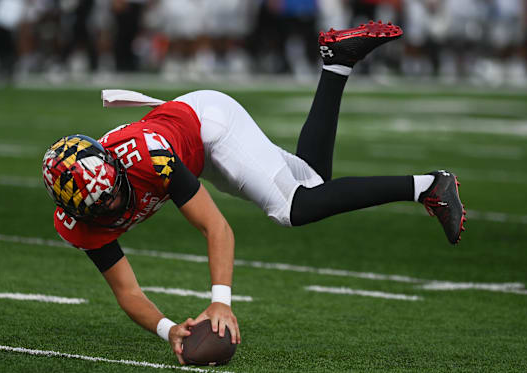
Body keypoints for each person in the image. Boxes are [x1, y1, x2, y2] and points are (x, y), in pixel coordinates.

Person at [40, 21, 466, 365]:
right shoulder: (77, 223)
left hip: (209, 124)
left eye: (113, 192)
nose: (114, 205)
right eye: (101, 206)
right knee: (312, 180)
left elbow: (216, 227)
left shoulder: (149, 160)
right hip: (196, 150)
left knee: (293, 207)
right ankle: (337, 63)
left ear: (113, 166)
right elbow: (127, 291)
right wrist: (171, 329)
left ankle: (429, 186)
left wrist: (220, 301)